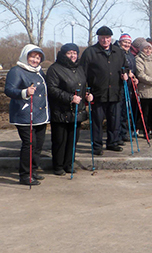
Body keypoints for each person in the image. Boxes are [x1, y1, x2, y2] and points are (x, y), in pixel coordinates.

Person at [4, 45, 50, 185]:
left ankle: (33, 170)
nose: (35, 60)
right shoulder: (16, 71)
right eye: (32, 57)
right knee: (29, 144)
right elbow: (9, 90)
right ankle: (25, 175)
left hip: (40, 114)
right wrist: (24, 92)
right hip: (24, 114)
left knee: (38, 145)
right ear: (25, 56)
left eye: (38, 58)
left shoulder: (39, 71)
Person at [80, 26, 129, 155]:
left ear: (111, 38)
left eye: (107, 38)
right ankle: (97, 145)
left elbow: (125, 66)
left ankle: (113, 142)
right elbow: (82, 73)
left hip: (115, 92)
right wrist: (86, 91)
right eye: (102, 38)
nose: (105, 40)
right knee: (97, 122)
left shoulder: (118, 52)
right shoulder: (90, 52)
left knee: (114, 120)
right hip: (97, 93)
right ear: (98, 38)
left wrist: (125, 73)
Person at [46, 44, 93, 176]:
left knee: (73, 139)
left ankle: (69, 163)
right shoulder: (54, 69)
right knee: (60, 140)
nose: (72, 56)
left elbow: (82, 85)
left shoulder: (79, 68)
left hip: (76, 110)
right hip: (61, 111)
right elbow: (52, 89)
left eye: (75, 53)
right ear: (63, 54)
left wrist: (86, 95)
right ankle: (58, 165)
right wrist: (69, 98)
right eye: (69, 53)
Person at [118, 33, 138, 143]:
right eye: (125, 42)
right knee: (119, 112)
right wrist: (125, 72)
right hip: (119, 85)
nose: (127, 44)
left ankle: (123, 132)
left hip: (129, 85)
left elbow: (133, 68)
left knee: (125, 111)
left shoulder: (130, 54)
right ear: (120, 42)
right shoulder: (117, 52)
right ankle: (118, 134)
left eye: (129, 43)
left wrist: (134, 77)